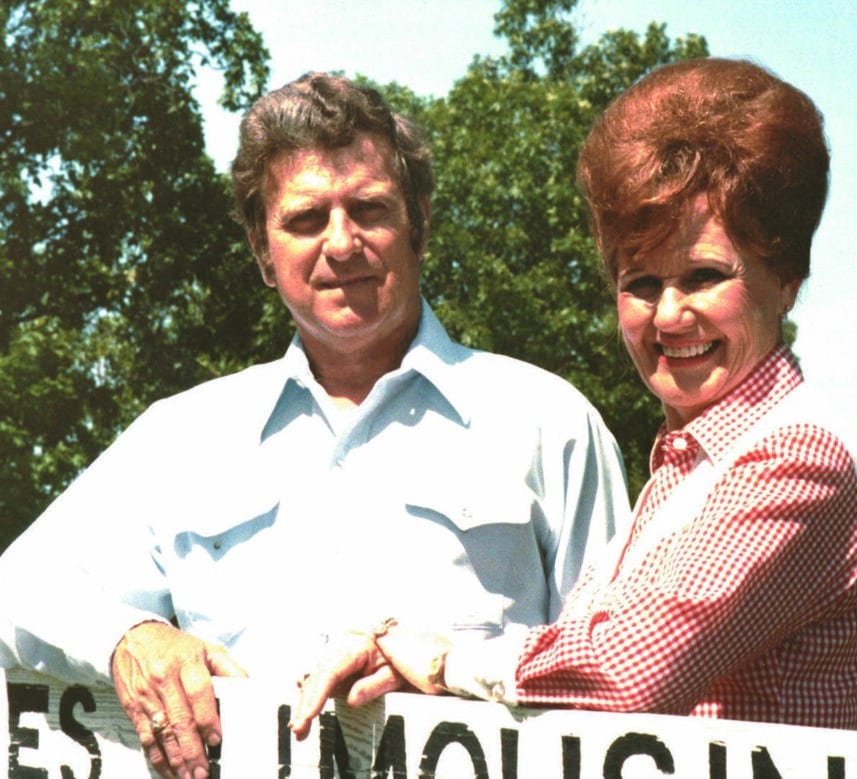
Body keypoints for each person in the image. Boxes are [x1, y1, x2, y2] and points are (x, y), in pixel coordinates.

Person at [0, 73, 630, 779]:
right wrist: (129, 635)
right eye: (305, 219)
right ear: (262, 251)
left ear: (419, 222)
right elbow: (17, 592)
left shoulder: (550, 424)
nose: (341, 242)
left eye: (369, 208)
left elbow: (624, 670)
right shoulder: (178, 438)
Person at [288, 57, 857, 735]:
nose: (668, 316)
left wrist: (446, 661)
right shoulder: (691, 463)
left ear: (785, 277)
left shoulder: (798, 453)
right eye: (640, 283)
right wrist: (409, 664)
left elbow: (633, 666)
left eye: (703, 276)